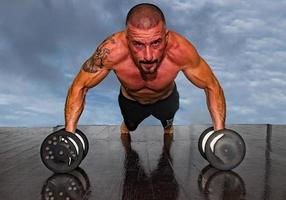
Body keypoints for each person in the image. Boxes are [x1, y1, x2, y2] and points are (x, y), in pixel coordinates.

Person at [64, 3, 226, 135]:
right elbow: (80, 85)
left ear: (166, 36)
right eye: (138, 44)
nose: (148, 56)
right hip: (131, 102)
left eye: (156, 42)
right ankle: (127, 124)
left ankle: (168, 126)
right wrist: (69, 135)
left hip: (166, 99)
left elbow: (211, 86)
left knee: (168, 128)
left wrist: (220, 134)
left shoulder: (181, 50)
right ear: (127, 38)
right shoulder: (110, 52)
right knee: (129, 128)